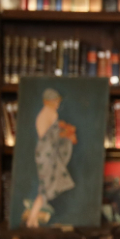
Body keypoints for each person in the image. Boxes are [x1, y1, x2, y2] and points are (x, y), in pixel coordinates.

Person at [26, 88, 77, 228]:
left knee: (44, 188)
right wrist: (67, 133)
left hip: (43, 152)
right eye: (55, 101)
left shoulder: (43, 114)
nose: (57, 104)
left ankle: (32, 220)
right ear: (48, 102)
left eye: (58, 101)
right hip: (47, 153)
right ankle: (31, 219)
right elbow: (53, 137)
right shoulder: (51, 113)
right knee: (45, 188)